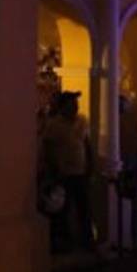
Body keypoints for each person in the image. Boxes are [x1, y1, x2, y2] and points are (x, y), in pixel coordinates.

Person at [40, 91, 95, 252]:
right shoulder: (54, 125)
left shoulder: (82, 121)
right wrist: (54, 169)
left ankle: (86, 240)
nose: (75, 107)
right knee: (62, 209)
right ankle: (63, 241)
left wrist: (90, 165)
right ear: (63, 106)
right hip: (64, 173)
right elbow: (48, 148)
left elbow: (86, 144)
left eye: (76, 104)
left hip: (80, 172)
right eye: (72, 104)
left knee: (83, 207)